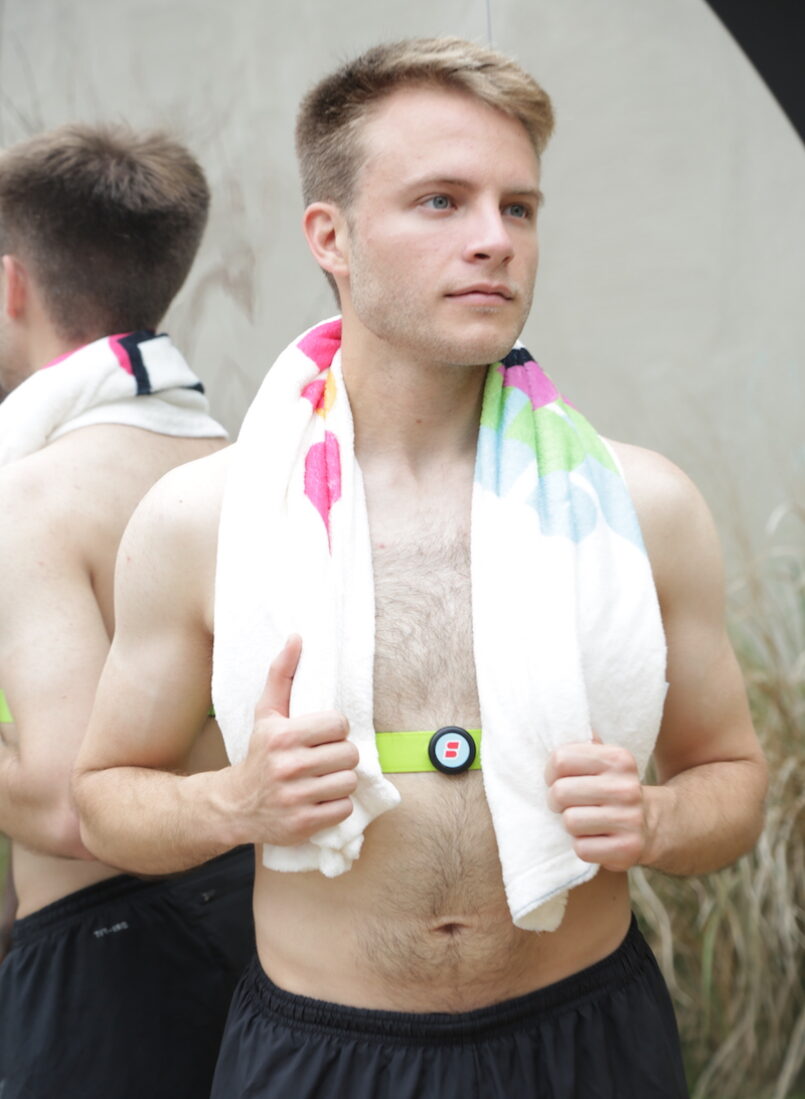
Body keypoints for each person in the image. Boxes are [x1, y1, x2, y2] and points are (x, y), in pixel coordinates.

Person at [74, 39, 766, 1099]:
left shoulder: (642, 506)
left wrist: (661, 820)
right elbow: (103, 797)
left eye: (518, 207)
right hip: (323, 1051)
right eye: (441, 201)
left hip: (583, 1036)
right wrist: (234, 805)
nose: (494, 239)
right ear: (331, 236)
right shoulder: (204, 519)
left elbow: (731, 778)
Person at [0, 124, 255, 1099]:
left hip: (107, 965)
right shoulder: (240, 465)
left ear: (12, 285)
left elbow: (71, 807)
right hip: (257, 923)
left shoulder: (32, 496)